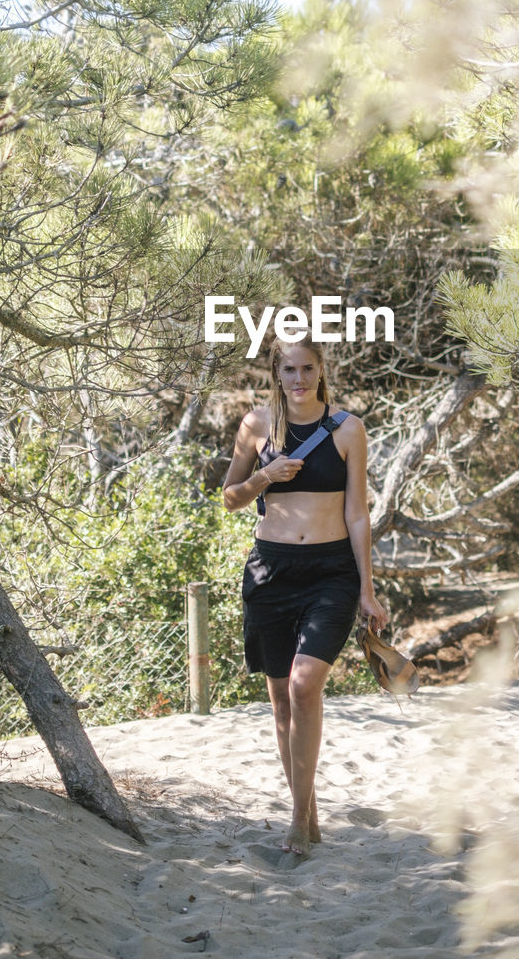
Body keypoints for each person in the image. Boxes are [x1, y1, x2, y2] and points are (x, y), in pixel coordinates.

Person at [222, 333, 388, 856]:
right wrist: (264, 477)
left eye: (307, 369)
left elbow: (358, 513)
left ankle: (297, 822)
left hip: (331, 573)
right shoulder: (256, 427)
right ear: (276, 373)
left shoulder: (347, 429)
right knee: (280, 703)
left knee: (303, 685)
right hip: (271, 572)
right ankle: (309, 815)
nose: (299, 379)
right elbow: (230, 497)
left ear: (321, 370)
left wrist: (368, 588)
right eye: (289, 370)